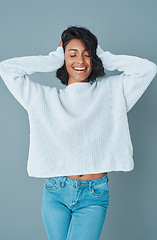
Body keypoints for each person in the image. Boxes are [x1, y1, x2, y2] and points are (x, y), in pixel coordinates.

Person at [0, 25, 157, 240]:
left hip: (94, 194)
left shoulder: (112, 93)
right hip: (56, 191)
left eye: (87, 55)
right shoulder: (44, 98)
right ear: (63, 59)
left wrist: (101, 54)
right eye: (72, 54)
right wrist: (53, 58)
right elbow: (7, 69)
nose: (80, 61)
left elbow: (147, 69)